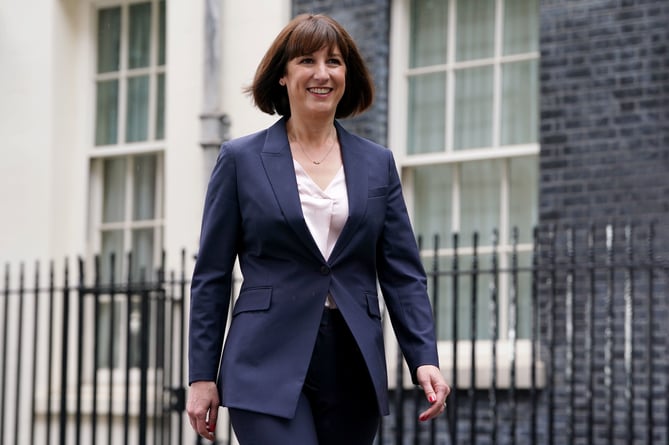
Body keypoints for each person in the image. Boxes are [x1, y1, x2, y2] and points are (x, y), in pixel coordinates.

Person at [186, 13, 450, 445]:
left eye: (335, 61)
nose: (322, 73)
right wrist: (201, 376)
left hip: (352, 361)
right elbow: (212, 275)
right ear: (283, 77)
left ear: (348, 75)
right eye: (307, 60)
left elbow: (402, 272)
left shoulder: (376, 163)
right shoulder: (241, 160)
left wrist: (423, 357)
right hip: (264, 360)